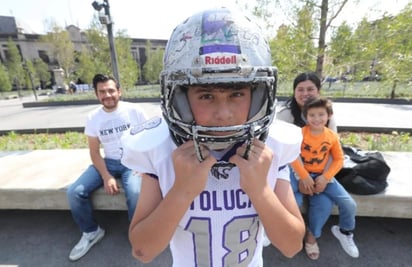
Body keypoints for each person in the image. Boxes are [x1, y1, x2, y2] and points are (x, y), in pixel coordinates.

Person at [121, 7, 305, 266]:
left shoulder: (271, 147)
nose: (224, 114)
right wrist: (181, 191)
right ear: (180, 98)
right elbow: (143, 251)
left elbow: (291, 246)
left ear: (259, 95)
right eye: (206, 96)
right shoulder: (161, 149)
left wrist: (261, 191)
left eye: (237, 94)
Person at [66, 74, 147, 261]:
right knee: (74, 192)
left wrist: (144, 165)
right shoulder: (93, 117)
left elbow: (148, 140)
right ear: (96, 95)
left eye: (111, 90)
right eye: (102, 92)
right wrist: (106, 176)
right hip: (108, 161)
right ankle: (91, 232)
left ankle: (137, 232)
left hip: (132, 161)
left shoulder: (135, 111)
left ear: (119, 91)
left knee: (135, 192)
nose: (107, 95)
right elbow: (94, 152)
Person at [290, 96, 359, 260]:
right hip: (301, 173)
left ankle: (344, 231)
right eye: (312, 115)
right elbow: (292, 155)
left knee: (349, 203)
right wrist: (304, 176)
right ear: (305, 116)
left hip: (322, 175)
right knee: (291, 200)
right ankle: (278, 230)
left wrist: (325, 178)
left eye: (321, 114)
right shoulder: (300, 134)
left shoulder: (331, 137)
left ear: (329, 116)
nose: (316, 119)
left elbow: (339, 159)